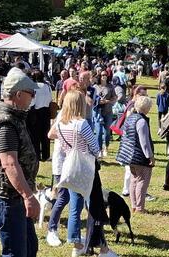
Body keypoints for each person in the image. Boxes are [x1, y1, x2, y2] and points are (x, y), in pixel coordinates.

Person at [47, 89, 118, 257]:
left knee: (74, 208)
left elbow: (52, 136)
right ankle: (102, 248)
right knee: (95, 208)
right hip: (86, 168)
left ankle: (77, 244)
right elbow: (95, 148)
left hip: (70, 168)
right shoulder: (81, 124)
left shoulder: (60, 123)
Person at [0, 68, 40, 257]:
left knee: (29, 248)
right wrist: (28, 197)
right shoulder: (6, 123)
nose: (32, 97)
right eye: (30, 93)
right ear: (18, 94)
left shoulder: (13, 117)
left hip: (15, 198)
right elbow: (9, 164)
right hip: (8, 199)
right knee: (16, 253)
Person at [116, 96, 155, 213]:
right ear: (147, 107)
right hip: (139, 157)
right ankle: (139, 207)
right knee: (142, 181)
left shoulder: (130, 117)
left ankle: (134, 205)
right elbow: (144, 142)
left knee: (133, 180)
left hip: (129, 155)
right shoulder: (142, 121)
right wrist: (150, 157)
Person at [27, 69, 52, 161]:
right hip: (46, 111)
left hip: (36, 111)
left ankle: (36, 154)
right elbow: (50, 99)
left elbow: (32, 101)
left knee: (35, 135)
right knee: (45, 134)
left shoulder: (34, 87)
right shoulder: (47, 86)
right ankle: (46, 155)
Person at [93, 73, 116, 157]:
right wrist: (98, 101)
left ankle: (106, 146)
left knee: (107, 132)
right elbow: (91, 99)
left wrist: (108, 101)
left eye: (105, 74)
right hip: (97, 112)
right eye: (102, 75)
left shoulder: (110, 87)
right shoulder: (95, 87)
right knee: (98, 131)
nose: (104, 76)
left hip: (108, 111)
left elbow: (115, 97)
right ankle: (99, 150)